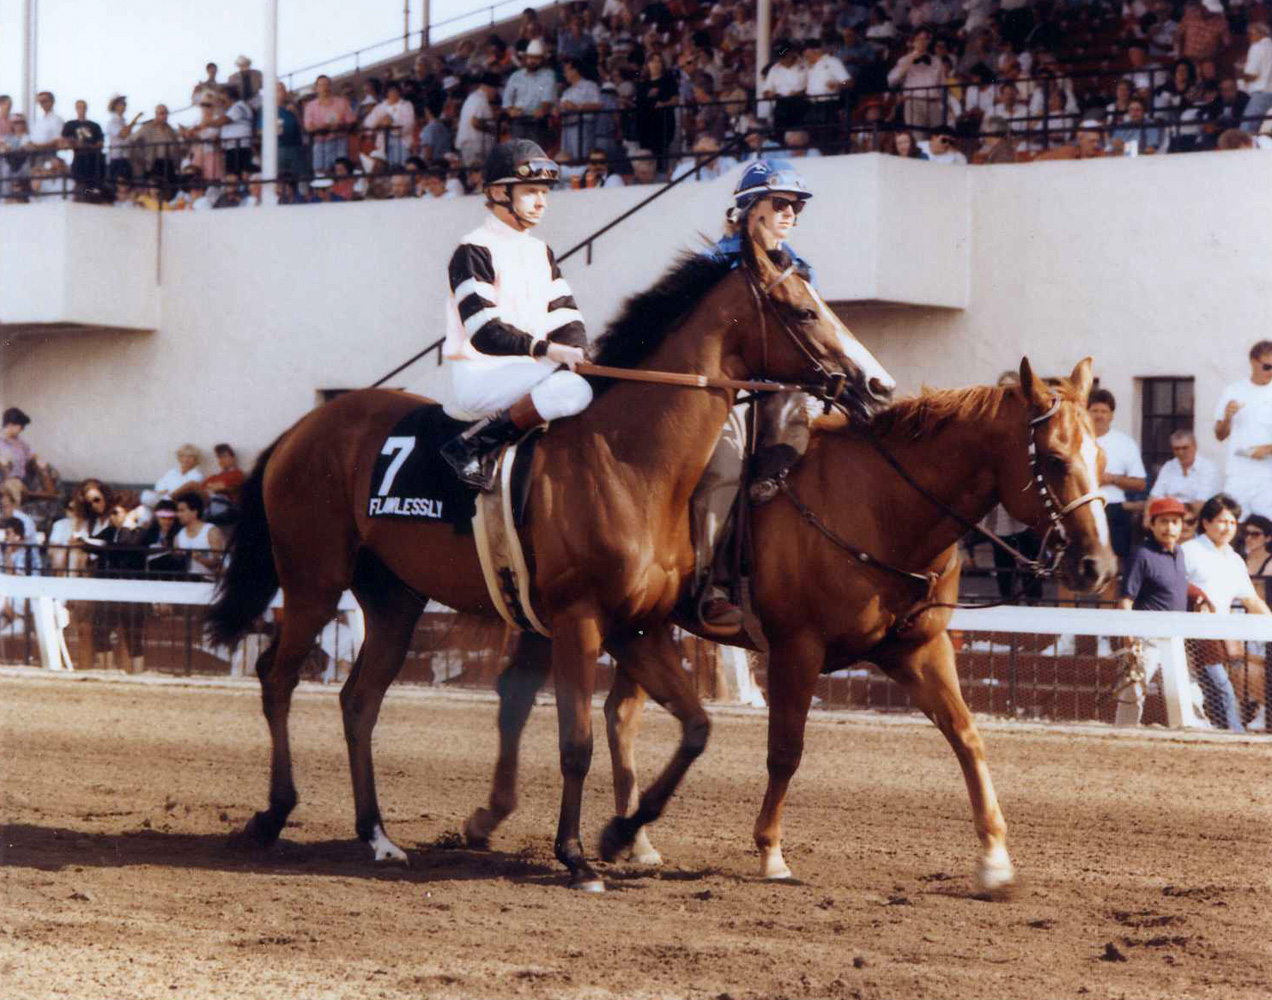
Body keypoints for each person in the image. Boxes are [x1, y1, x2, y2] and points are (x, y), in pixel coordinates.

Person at [691, 159, 818, 636]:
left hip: (782, 395)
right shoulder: (713, 265)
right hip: (722, 396)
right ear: (749, 210)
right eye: (780, 204)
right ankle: (708, 588)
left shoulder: (800, 269)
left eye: (796, 207)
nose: (791, 215)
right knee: (723, 470)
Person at [439, 141, 592, 490]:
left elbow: (567, 317)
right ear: (497, 193)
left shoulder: (541, 251)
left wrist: (575, 350)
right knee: (574, 389)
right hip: (480, 375)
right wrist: (548, 351)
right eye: (530, 192)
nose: (541, 201)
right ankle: (471, 445)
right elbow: (484, 332)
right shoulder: (472, 249)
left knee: (586, 379)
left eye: (544, 192)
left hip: (530, 369)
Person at [1183, 493, 1271, 731]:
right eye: (1222, 521)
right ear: (1206, 522)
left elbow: (1251, 599)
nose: (1228, 528)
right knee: (1212, 687)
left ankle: (1228, 731)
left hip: (1217, 638)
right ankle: (1234, 732)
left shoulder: (1234, 560)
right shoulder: (1188, 551)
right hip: (1188, 633)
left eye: (1232, 522)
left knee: (1215, 687)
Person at [1115, 497, 1191, 725]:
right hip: (1145, 637)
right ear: (1152, 524)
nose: (1169, 527)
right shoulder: (1142, 554)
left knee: (1180, 691)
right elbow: (1126, 598)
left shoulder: (1180, 553)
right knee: (1133, 692)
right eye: (1164, 521)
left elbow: (1175, 587)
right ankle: (1123, 735)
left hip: (1174, 635)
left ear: (1181, 526)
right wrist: (1128, 637)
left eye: (1175, 522)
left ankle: (1183, 733)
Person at [1214, 339, 1272, 519]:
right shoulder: (1233, 391)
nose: (1271, 372)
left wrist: (1267, 449)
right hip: (1238, 474)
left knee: (1266, 531)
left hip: (1267, 477)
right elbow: (1220, 435)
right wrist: (1228, 417)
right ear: (1253, 362)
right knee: (1231, 524)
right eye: (1267, 366)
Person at [1088, 388, 1147, 560]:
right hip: (1082, 508)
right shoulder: (1077, 439)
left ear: (1111, 415)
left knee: (1115, 562)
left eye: (1104, 411)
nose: (1099, 416)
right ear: (1086, 412)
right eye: (1094, 411)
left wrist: (1112, 479)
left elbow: (1140, 484)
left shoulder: (1125, 443)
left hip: (1113, 509)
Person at [1147, 429, 1220, 518]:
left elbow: (1199, 505)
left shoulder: (1208, 468)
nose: (1181, 453)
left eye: (1185, 448)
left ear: (1195, 446)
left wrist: (1170, 500)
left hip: (1197, 519)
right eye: (1176, 449)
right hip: (1170, 517)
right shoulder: (1169, 467)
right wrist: (1147, 519)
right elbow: (1154, 497)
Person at [502, 38, 558, 146]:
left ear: (542, 59)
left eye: (536, 58)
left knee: (535, 155)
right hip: (518, 121)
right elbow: (507, 100)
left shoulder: (548, 75)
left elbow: (547, 100)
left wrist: (542, 110)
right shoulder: (516, 76)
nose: (533, 61)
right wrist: (510, 110)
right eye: (530, 57)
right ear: (525, 58)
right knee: (518, 155)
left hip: (537, 123)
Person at [1239, 23, 1272, 134]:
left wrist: (1240, 72)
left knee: (1247, 130)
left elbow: (1252, 75)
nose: (1249, 37)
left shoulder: (1257, 47)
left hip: (1261, 94)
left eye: (1250, 34)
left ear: (1260, 33)